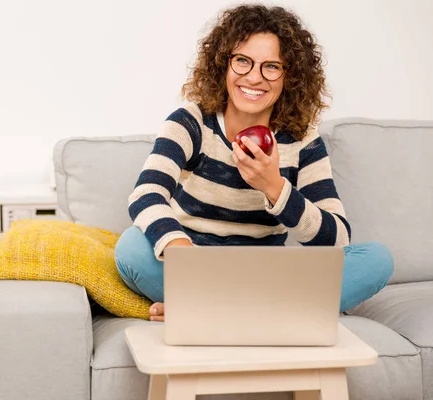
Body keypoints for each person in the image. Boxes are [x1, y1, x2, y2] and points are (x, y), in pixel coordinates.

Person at [114, 4, 394, 322]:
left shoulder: (302, 140)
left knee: (377, 260)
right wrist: (181, 252)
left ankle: (210, 310)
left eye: (271, 66)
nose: (254, 77)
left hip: (265, 273)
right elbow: (146, 194)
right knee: (131, 248)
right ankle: (262, 311)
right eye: (243, 61)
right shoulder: (191, 123)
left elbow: (337, 239)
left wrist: (273, 186)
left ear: (290, 76)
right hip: (195, 265)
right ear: (224, 64)